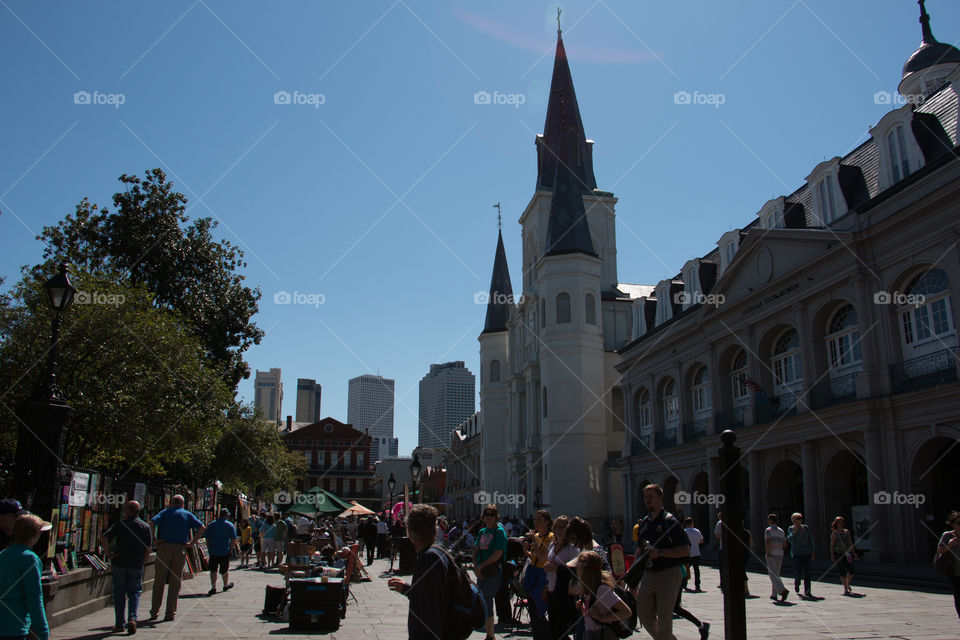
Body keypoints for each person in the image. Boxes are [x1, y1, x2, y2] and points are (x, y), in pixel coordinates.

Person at [388, 504, 454, 640]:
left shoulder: (428, 559)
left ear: (410, 533)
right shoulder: (440, 551)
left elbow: (428, 604)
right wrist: (407, 588)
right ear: (434, 530)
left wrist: (407, 590)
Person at [633, 484, 690, 640]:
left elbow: (685, 549)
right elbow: (640, 550)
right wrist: (632, 575)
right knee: (643, 613)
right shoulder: (644, 523)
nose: (647, 500)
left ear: (660, 498)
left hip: (669, 573)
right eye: (645, 497)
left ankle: (665, 638)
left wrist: (661, 553)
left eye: (651, 496)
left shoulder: (670, 522)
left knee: (665, 618)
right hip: (649, 573)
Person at [149, 494, 205, 621]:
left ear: (171, 503)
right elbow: (202, 528)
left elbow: (151, 523)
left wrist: (154, 538)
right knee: (175, 581)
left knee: (159, 580)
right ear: (183, 504)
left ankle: (154, 611)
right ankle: (170, 612)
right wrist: (192, 542)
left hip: (164, 547)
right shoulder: (186, 514)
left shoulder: (165, 512)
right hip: (180, 548)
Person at [101, 500, 152, 634]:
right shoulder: (145, 526)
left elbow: (105, 538)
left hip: (120, 563)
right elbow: (148, 548)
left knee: (119, 594)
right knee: (135, 593)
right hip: (136, 564)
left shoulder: (120, 525)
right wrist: (144, 561)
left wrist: (108, 554)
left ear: (128, 511)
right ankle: (132, 618)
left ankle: (119, 624)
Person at [0, 514, 52, 640]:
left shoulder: (3, 554)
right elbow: (34, 599)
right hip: (15, 628)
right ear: (34, 535)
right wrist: (43, 633)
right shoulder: (29, 559)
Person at [572, 549, 630, 640]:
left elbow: (626, 612)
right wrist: (584, 609)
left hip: (602, 634)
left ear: (586, 571)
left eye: (578, 568)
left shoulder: (601, 589)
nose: (576, 571)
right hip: (590, 633)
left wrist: (602, 618)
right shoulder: (589, 589)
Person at [473, 504, 508, 640]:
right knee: (481, 600)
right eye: (486, 514)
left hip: (494, 571)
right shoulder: (482, 532)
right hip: (481, 571)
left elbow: (498, 553)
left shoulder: (499, 532)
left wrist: (481, 567)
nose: (489, 517)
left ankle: (490, 634)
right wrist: (476, 568)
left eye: (492, 515)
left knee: (487, 599)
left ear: (496, 516)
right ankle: (488, 632)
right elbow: (475, 552)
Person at [543, 516, 578, 640]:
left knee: (561, 629)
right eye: (557, 526)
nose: (560, 529)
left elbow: (576, 569)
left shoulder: (572, 548)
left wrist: (557, 569)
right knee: (553, 628)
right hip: (552, 589)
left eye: (563, 526)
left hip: (564, 592)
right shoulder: (553, 545)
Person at [523, 510, 553, 640]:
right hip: (533, 576)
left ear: (547, 522)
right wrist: (526, 552)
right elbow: (535, 557)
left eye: (539, 520)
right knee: (533, 610)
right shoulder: (538, 536)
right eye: (535, 519)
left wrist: (534, 541)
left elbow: (542, 559)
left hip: (543, 577)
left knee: (539, 611)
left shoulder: (550, 537)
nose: (535, 522)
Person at [204, 508, 239, 595]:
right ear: (226, 515)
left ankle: (213, 587)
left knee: (213, 569)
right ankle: (225, 585)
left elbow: (207, 538)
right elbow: (233, 539)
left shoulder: (211, 524)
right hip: (224, 551)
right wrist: (231, 549)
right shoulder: (229, 525)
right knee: (224, 570)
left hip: (213, 551)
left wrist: (209, 547)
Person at [786, 512, 815, 598]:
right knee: (798, 571)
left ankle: (807, 591)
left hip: (807, 553)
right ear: (793, 520)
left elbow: (811, 540)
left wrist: (813, 551)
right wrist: (794, 532)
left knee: (808, 572)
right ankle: (797, 583)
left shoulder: (805, 528)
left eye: (801, 518)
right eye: (798, 518)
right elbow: (789, 539)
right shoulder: (791, 529)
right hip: (797, 553)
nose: (800, 520)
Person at [937, 511, 960, 619]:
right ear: (953, 524)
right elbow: (941, 550)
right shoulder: (947, 535)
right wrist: (951, 544)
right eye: (959, 523)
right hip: (953, 571)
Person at [829, 516, 858, 596]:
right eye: (839, 522)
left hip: (847, 553)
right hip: (838, 553)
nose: (841, 524)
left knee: (852, 570)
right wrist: (832, 555)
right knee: (842, 571)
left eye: (842, 522)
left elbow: (850, 542)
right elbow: (832, 545)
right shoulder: (834, 533)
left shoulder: (847, 531)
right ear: (836, 523)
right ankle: (845, 587)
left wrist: (854, 552)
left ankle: (847, 583)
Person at [764, 513, 788, 601]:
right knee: (776, 574)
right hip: (780, 554)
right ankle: (774, 594)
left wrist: (768, 553)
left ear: (770, 520)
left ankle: (783, 590)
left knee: (772, 575)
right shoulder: (781, 531)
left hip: (772, 554)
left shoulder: (768, 530)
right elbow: (784, 544)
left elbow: (767, 542)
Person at [682, 517, 704, 592]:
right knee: (696, 570)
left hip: (687, 554)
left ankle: (684, 584)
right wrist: (696, 542)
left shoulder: (684, 531)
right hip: (696, 553)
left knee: (686, 570)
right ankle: (697, 586)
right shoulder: (697, 531)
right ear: (692, 523)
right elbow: (701, 541)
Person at [713, 511, 723, 591]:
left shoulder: (720, 523)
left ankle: (723, 582)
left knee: (722, 567)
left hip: (722, 548)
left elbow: (717, 535)